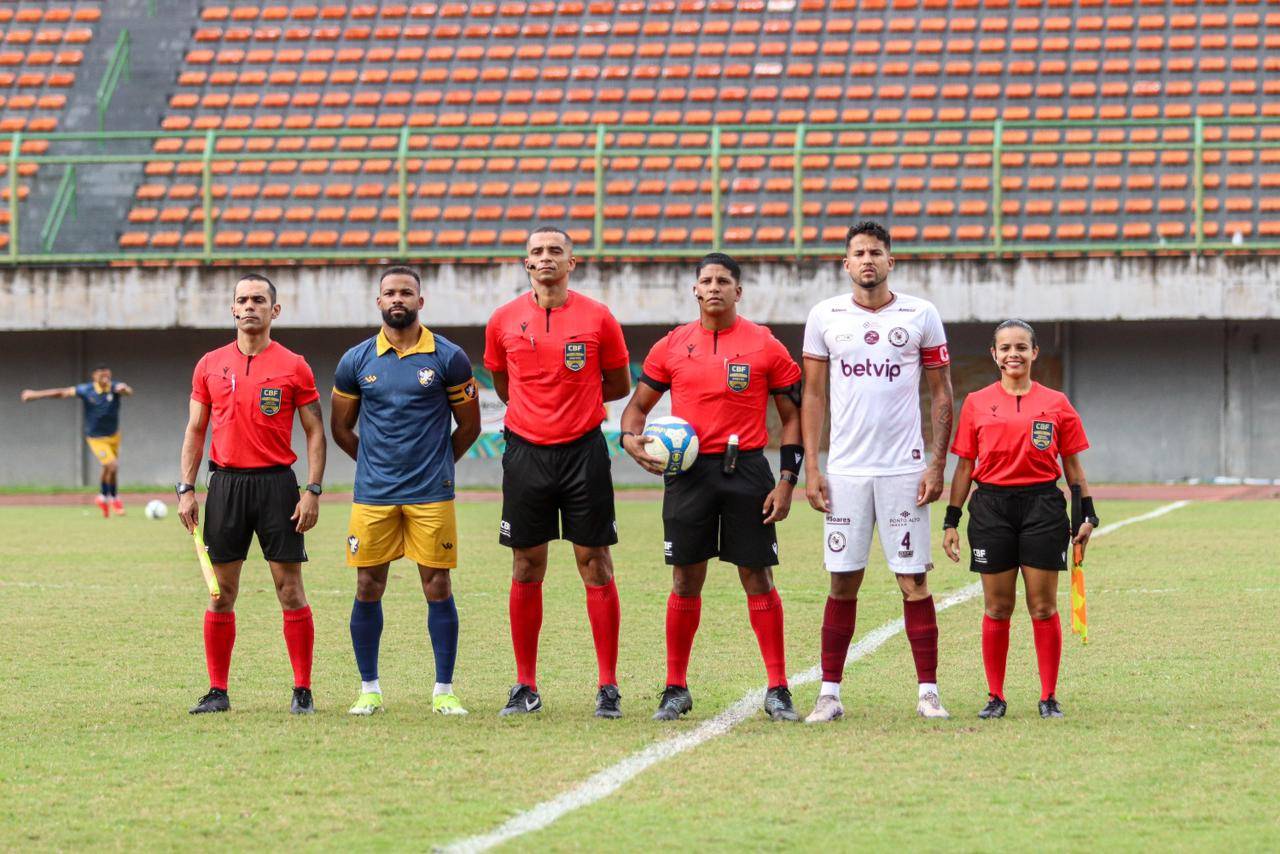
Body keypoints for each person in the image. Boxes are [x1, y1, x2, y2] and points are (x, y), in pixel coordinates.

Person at [620, 252, 804, 722]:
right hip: (687, 474)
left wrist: (787, 480)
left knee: (757, 575)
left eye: (725, 280)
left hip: (747, 470)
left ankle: (778, 688)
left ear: (738, 291)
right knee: (685, 578)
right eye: (707, 280)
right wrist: (630, 441)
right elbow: (636, 410)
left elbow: (792, 417)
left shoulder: (765, 344)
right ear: (695, 290)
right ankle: (675, 688)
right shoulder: (672, 345)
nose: (715, 287)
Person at [801, 220, 955, 722]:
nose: (867, 260)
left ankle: (928, 691)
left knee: (913, 582)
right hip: (845, 471)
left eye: (876, 252)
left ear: (892, 262)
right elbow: (815, 395)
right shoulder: (825, 316)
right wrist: (813, 467)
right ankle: (829, 693)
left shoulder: (921, 314)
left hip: (903, 471)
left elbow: (941, 393)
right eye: (858, 253)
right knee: (842, 582)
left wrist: (936, 463)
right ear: (845, 264)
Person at [483, 226, 631, 718]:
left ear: (572, 262)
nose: (545, 258)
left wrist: (575, 406)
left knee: (595, 561)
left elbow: (616, 382)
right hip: (525, 453)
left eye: (555, 251)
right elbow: (503, 383)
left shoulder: (598, 318)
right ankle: (526, 685)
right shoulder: (503, 320)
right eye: (536, 251)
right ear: (526, 263)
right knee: (527, 564)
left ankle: (607, 686)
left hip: (583, 452)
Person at [331, 266, 482, 717]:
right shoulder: (356, 360)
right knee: (367, 584)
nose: (398, 299)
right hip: (373, 495)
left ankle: (444, 690)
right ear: (379, 302)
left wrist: (436, 465)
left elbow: (470, 426)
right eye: (390, 292)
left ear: (421, 299)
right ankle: (369, 689)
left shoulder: (449, 357)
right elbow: (341, 427)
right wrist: (376, 465)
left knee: (437, 585)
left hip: (431, 494)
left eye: (407, 292)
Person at [178, 273, 327, 715]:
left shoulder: (294, 365)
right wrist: (186, 488)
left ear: (273, 311)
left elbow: (315, 431)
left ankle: (302, 690)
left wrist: (313, 490)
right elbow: (195, 429)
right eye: (242, 300)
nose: (249, 307)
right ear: (232, 309)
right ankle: (217, 691)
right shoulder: (209, 364)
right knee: (221, 592)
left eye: (258, 300)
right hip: (225, 484)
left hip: (278, 485)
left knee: (290, 589)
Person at [943, 319, 1097, 719]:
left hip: (1043, 506)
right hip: (991, 507)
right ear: (994, 355)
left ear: (1034, 353)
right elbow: (963, 468)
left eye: (1021, 347)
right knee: (997, 607)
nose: (1014, 354)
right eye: (1006, 347)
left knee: (1043, 606)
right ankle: (995, 696)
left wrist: (1087, 515)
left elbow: (1073, 467)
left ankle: (1048, 697)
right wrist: (951, 520)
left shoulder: (1057, 403)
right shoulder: (976, 402)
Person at [22, 365, 134, 517]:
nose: (106, 379)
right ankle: (113, 498)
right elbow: (61, 393)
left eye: (108, 376)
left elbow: (128, 391)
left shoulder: (114, 388)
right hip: (96, 438)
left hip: (114, 435)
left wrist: (125, 389)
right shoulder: (86, 390)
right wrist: (35, 394)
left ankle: (103, 497)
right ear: (94, 376)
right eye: (102, 376)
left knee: (110, 469)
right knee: (112, 465)